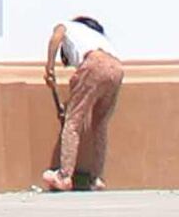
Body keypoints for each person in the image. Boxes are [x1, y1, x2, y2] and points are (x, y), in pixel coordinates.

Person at [41, 14, 124, 190]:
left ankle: (64, 176)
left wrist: (49, 67)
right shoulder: (96, 38)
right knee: (100, 124)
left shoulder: (65, 25)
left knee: (72, 122)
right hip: (117, 68)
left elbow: (56, 37)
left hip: (93, 63)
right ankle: (97, 178)